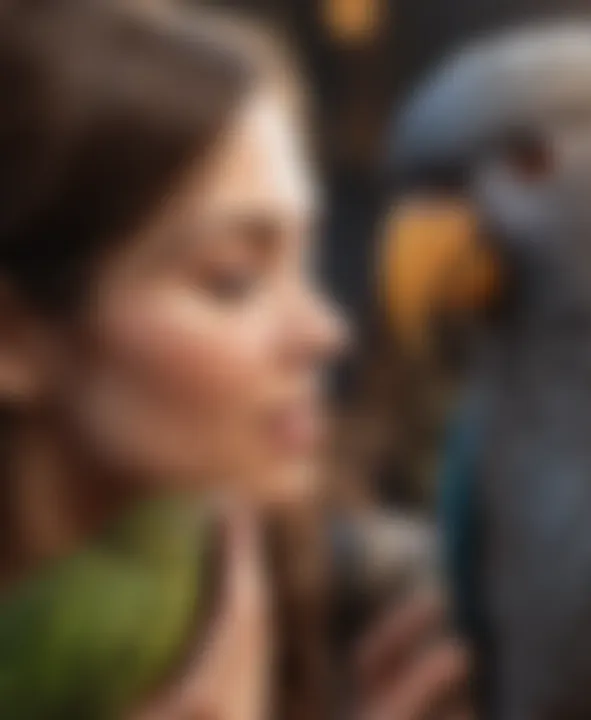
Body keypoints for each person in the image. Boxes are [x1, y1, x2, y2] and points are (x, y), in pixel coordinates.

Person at [0, 1, 469, 717]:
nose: (326, 332)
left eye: (308, 261)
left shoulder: (396, 610)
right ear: (15, 337)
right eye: (233, 281)